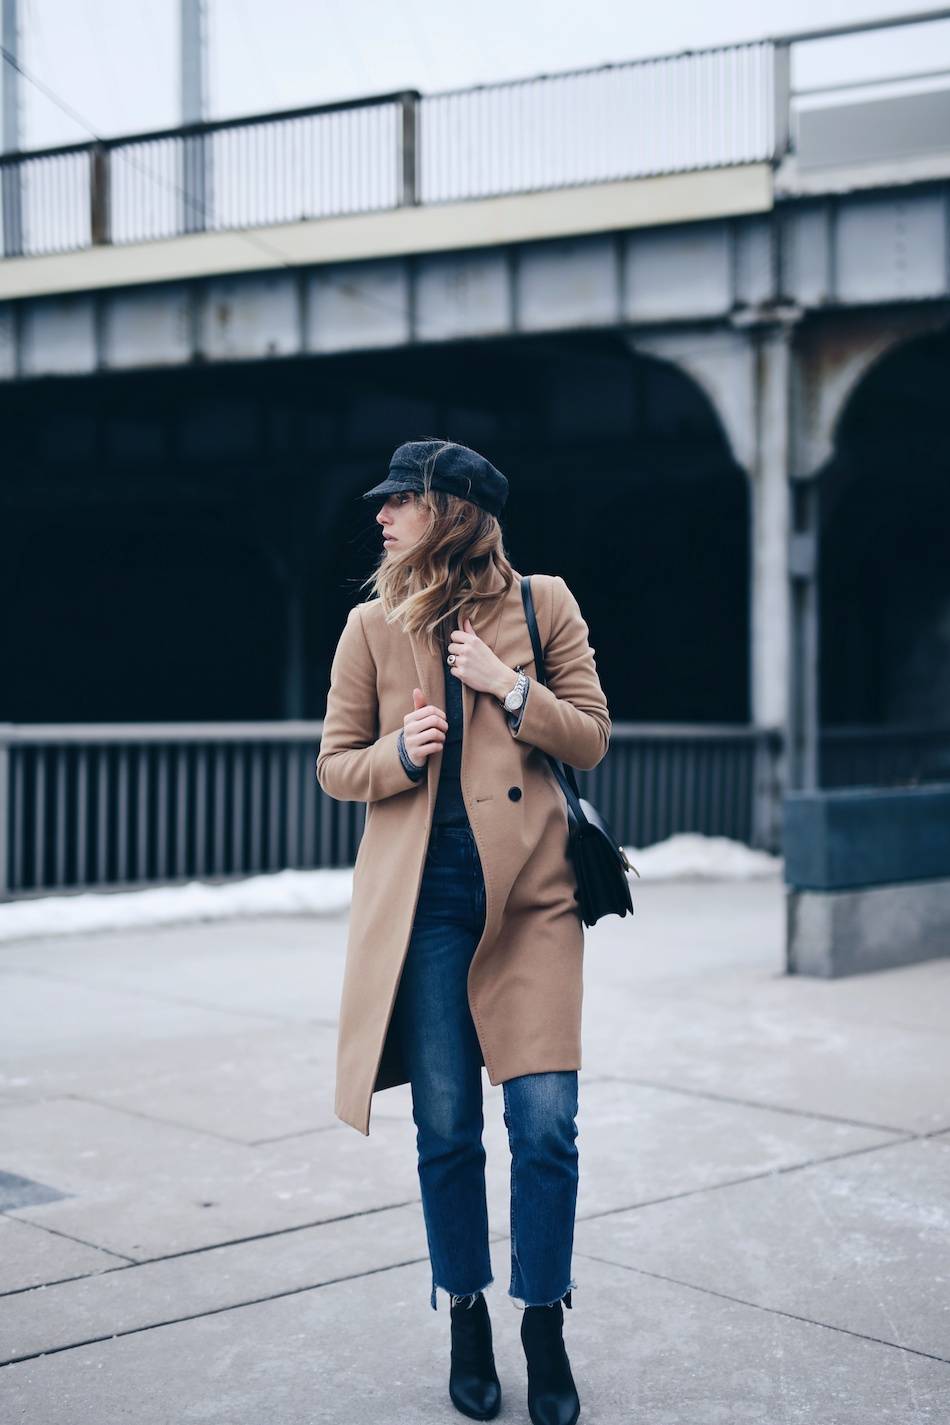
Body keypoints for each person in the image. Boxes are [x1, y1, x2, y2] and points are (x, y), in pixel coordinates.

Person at [316, 438, 611, 1425]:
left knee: (545, 1127)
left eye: (399, 499)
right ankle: (466, 1311)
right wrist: (397, 754)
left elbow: (593, 736)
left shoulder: (543, 603)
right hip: (426, 910)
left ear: (448, 511)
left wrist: (506, 686)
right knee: (445, 1131)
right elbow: (333, 765)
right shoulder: (369, 625)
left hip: (532, 900)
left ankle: (541, 1318)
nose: (381, 516)